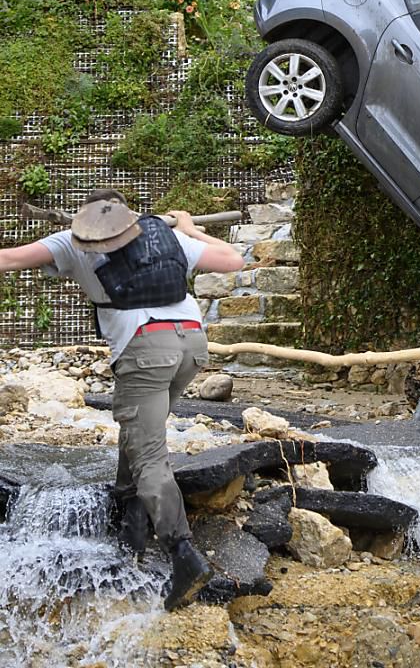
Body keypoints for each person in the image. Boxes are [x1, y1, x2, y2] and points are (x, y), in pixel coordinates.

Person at [0, 188, 244, 610]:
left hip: (145, 349)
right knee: (141, 432)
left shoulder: (71, 243)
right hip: (191, 345)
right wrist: (189, 228)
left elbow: (8, 259)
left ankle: (182, 552)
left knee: (149, 453)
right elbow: (234, 261)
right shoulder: (165, 236)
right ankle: (131, 521)